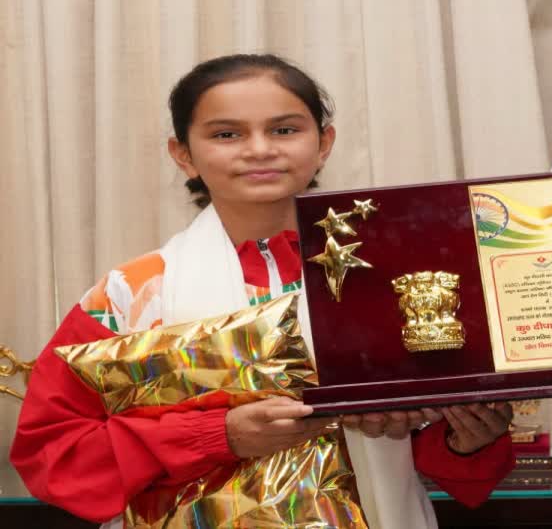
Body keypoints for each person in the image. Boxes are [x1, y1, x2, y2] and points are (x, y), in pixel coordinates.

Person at [11, 54, 515, 528]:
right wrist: (219, 435)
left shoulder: (403, 278)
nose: (259, 148)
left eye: (284, 129)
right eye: (227, 133)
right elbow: (54, 456)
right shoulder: (131, 295)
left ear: (324, 143)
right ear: (183, 155)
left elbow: (449, 449)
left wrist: (464, 436)